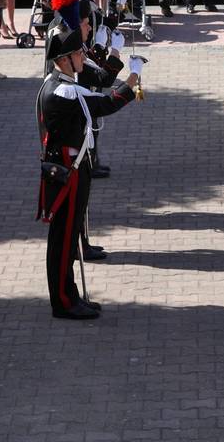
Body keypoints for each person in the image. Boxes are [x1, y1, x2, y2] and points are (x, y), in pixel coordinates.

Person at [36, 22, 143, 319]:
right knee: (64, 240)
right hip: (68, 171)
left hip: (72, 167)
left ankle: (70, 295)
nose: (83, 58)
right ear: (63, 59)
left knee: (68, 238)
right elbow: (107, 103)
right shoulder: (64, 91)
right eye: (77, 54)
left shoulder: (59, 83)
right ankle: (63, 301)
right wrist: (133, 79)